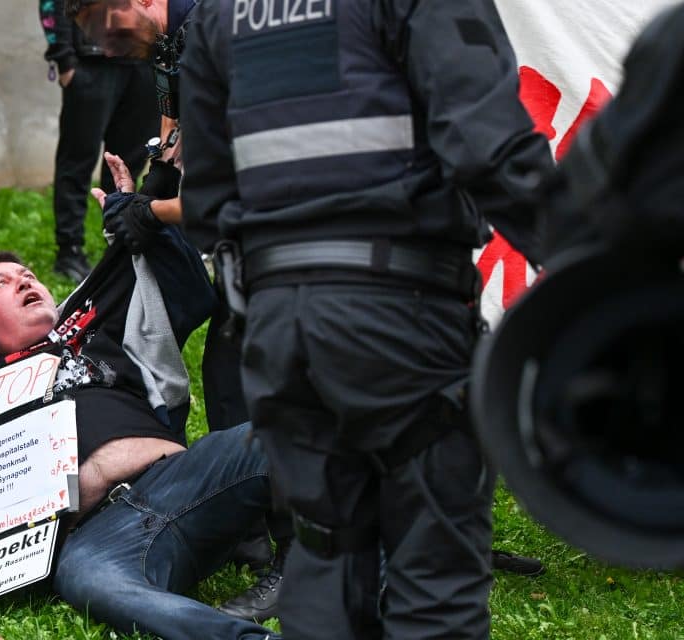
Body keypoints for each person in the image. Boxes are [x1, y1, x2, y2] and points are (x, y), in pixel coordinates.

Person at [180, 0, 554, 637]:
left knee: (325, 562)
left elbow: (210, 198)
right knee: (434, 576)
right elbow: (491, 150)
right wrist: (603, 274)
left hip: (280, 335)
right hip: (400, 318)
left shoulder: (219, 11)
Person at [0, 156, 279, 640]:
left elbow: (189, 292)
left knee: (293, 437)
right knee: (91, 583)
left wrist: (143, 216)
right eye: (2, 283)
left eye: (28, 275)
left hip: (186, 482)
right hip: (97, 537)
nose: (24, 281)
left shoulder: (90, 325)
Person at [66, 0, 291, 620]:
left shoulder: (218, 31)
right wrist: (143, 192)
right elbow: (175, 139)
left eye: (106, 32)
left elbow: (237, 186)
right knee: (227, 373)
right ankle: (250, 525)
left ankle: (301, 559)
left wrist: (154, 213)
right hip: (254, 242)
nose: (107, 51)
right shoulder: (169, 43)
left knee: (262, 381)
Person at [39, 0, 158, 283]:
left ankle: (119, 242)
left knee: (128, 165)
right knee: (77, 161)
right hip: (91, 63)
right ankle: (69, 250)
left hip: (144, 64)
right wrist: (64, 59)